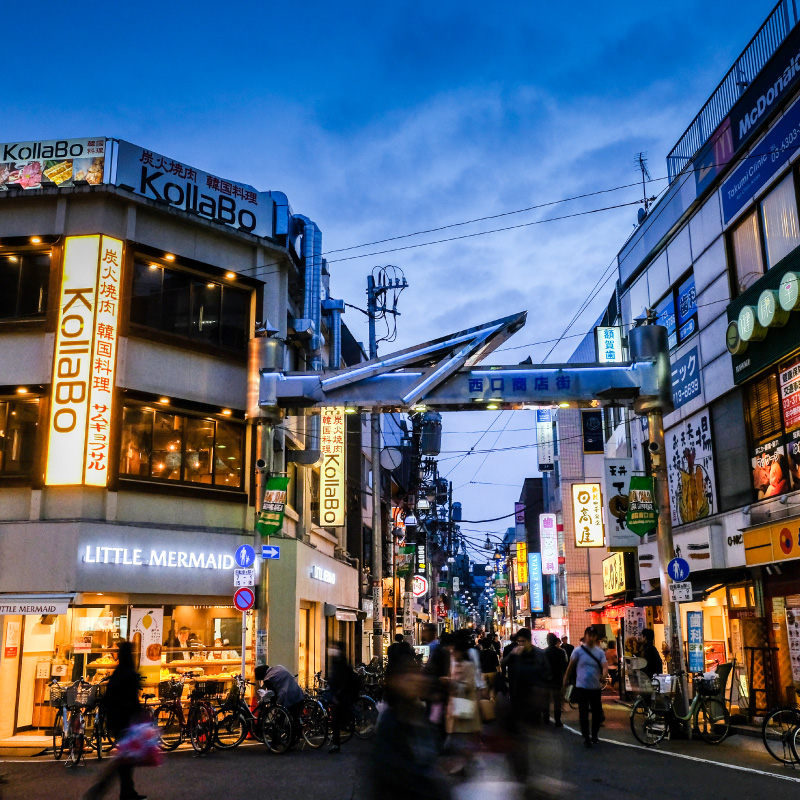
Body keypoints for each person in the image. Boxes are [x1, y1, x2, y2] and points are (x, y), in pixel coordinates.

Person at [82, 641, 145, 800]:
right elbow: (132, 701)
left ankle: (126, 791)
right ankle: (100, 790)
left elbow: (108, 698)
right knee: (124, 760)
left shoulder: (117, 674)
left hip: (117, 721)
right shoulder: (129, 674)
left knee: (125, 759)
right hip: (126, 721)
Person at [563, 626, 607, 747]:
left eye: (593, 636)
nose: (591, 638)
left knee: (596, 712)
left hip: (595, 687)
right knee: (583, 712)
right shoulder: (578, 651)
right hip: (581, 687)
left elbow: (604, 666)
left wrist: (604, 676)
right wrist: (565, 680)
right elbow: (570, 666)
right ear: (585, 636)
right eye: (589, 635)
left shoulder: (599, 652)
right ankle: (586, 736)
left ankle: (594, 734)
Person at [255, 663, 305, 743]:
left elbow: (273, 693)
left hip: (287, 697)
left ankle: (275, 743)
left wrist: (273, 705)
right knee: (294, 719)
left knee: (279, 721)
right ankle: (292, 740)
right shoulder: (279, 667)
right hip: (297, 693)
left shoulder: (268, 679)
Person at [327, 641, 360, 754]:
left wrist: (337, 695)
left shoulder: (341, 663)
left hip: (340, 696)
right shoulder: (338, 661)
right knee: (337, 718)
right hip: (338, 694)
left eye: (335, 648)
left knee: (335, 720)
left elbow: (343, 681)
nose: (332, 650)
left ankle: (336, 743)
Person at [543, 633, 568, 726]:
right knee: (557, 700)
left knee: (546, 700)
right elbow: (564, 666)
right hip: (557, 679)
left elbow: (542, 667)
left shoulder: (544, 652)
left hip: (546, 679)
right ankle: (558, 720)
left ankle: (546, 718)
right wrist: (566, 678)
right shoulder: (561, 652)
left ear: (548, 641)